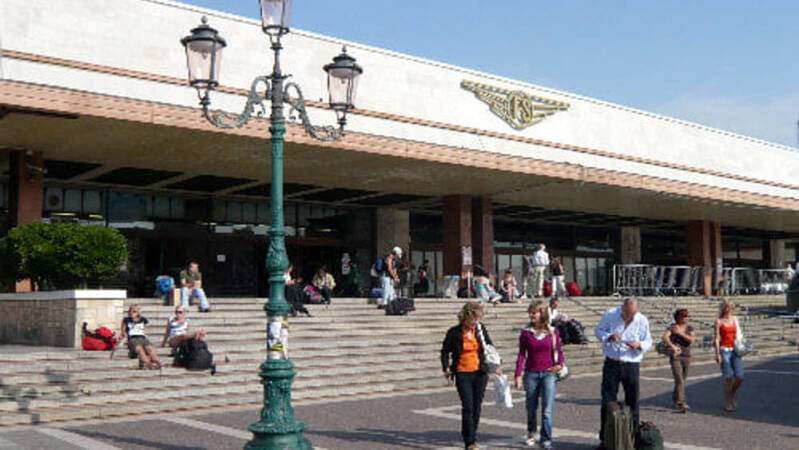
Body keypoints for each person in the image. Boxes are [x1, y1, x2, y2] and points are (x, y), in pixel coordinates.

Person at [441, 302, 502, 450]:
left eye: (477, 319)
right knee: (468, 406)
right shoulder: (454, 332)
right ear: (466, 317)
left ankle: (470, 433)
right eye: (473, 319)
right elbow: (445, 351)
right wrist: (446, 367)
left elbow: (489, 347)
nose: (476, 322)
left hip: (480, 373)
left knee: (476, 407)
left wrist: (496, 365)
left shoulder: (480, 330)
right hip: (462, 373)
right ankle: (470, 442)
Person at [594, 297, 651, 446]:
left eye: (632, 315)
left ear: (636, 311)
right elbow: (598, 331)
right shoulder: (610, 314)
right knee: (607, 401)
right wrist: (609, 336)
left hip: (631, 364)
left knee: (633, 401)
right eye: (626, 314)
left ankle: (633, 439)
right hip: (612, 362)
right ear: (622, 308)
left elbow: (648, 341)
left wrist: (639, 344)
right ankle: (605, 439)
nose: (628, 318)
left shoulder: (642, 320)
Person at [515, 300, 563, 449]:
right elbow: (521, 354)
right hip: (531, 373)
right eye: (530, 312)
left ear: (542, 314)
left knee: (547, 408)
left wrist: (559, 365)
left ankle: (546, 438)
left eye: (534, 312)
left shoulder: (553, 331)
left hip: (549, 373)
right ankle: (531, 432)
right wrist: (518, 374)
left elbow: (558, 351)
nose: (531, 315)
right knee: (531, 406)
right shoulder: (526, 333)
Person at [714, 299, 744, 412]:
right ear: (723, 309)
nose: (729, 310)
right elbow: (716, 338)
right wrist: (717, 353)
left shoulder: (735, 319)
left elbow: (739, 334)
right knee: (728, 378)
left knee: (740, 377)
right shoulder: (719, 321)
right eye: (727, 308)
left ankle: (731, 395)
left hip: (735, 350)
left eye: (730, 308)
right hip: (724, 350)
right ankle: (728, 402)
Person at [662, 308, 694, 412]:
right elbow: (665, 337)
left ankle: (675, 399)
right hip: (676, 356)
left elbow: (691, 340)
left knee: (682, 379)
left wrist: (680, 333)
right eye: (684, 316)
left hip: (686, 355)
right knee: (679, 379)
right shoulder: (672, 327)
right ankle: (681, 402)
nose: (686, 318)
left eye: (687, 316)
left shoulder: (689, 328)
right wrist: (672, 346)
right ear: (678, 317)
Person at [120, 305, 162, 369]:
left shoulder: (142, 320)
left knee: (150, 349)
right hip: (133, 338)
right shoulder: (126, 320)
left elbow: (144, 330)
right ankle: (149, 364)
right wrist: (121, 337)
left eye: (134, 311)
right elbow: (123, 332)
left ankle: (157, 362)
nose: (131, 313)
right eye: (130, 311)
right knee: (140, 350)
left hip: (142, 337)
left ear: (138, 313)